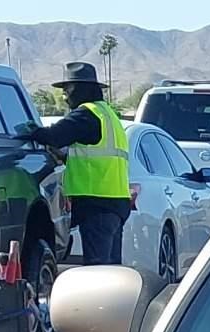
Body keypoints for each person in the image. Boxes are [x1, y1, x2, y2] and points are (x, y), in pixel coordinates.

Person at [17, 61, 131, 268]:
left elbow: (54, 136)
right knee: (112, 270)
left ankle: (99, 302)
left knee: (97, 270)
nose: (64, 95)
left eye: (67, 89)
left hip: (98, 204)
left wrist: (29, 130)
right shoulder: (108, 115)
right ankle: (114, 301)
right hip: (114, 202)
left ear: (80, 89)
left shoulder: (87, 114)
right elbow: (91, 156)